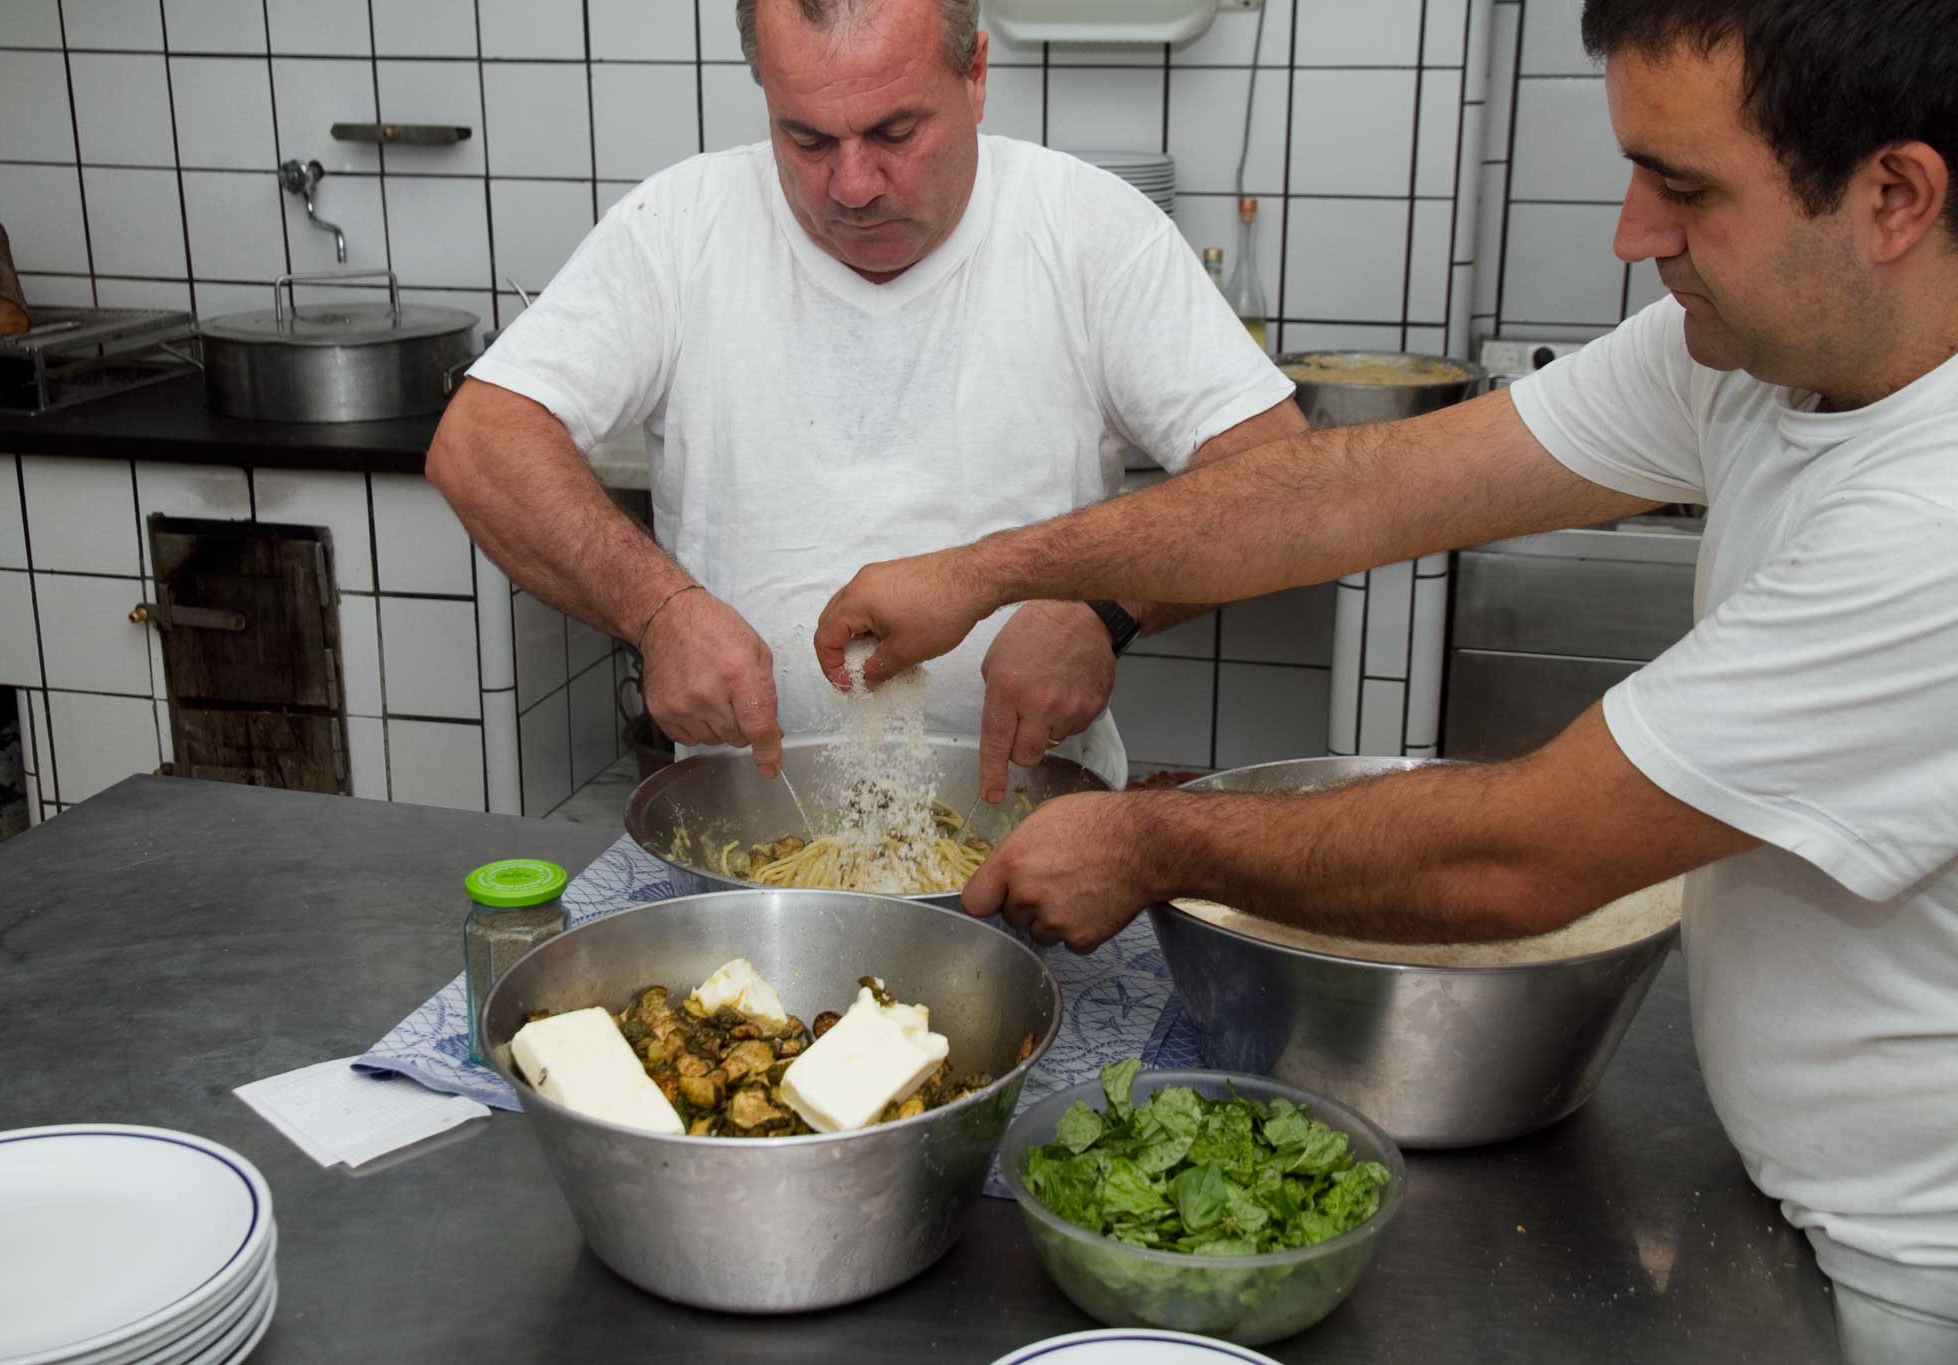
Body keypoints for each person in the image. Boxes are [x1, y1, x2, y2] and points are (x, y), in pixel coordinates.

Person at [813, 1, 1958, 1357]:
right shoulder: (1760, 361)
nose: (1633, 234)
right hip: (1801, 1191)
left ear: (1893, 194)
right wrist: (994, 570)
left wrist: (1147, 837)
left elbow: (1524, 857)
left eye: (1686, 188)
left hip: (1913, 1260)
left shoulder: (1931, 523)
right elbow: (1355, 491)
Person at [425, 0, 1301, 799]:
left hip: (1036, 833)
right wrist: (657, 611)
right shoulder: (680, 229)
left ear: (976, 76)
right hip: (755, 837)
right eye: (805, 140)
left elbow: (1279, 477)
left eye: (895, 131)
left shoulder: (1088, 231)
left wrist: (1107, 610)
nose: (852, 186)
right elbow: (480, 441)